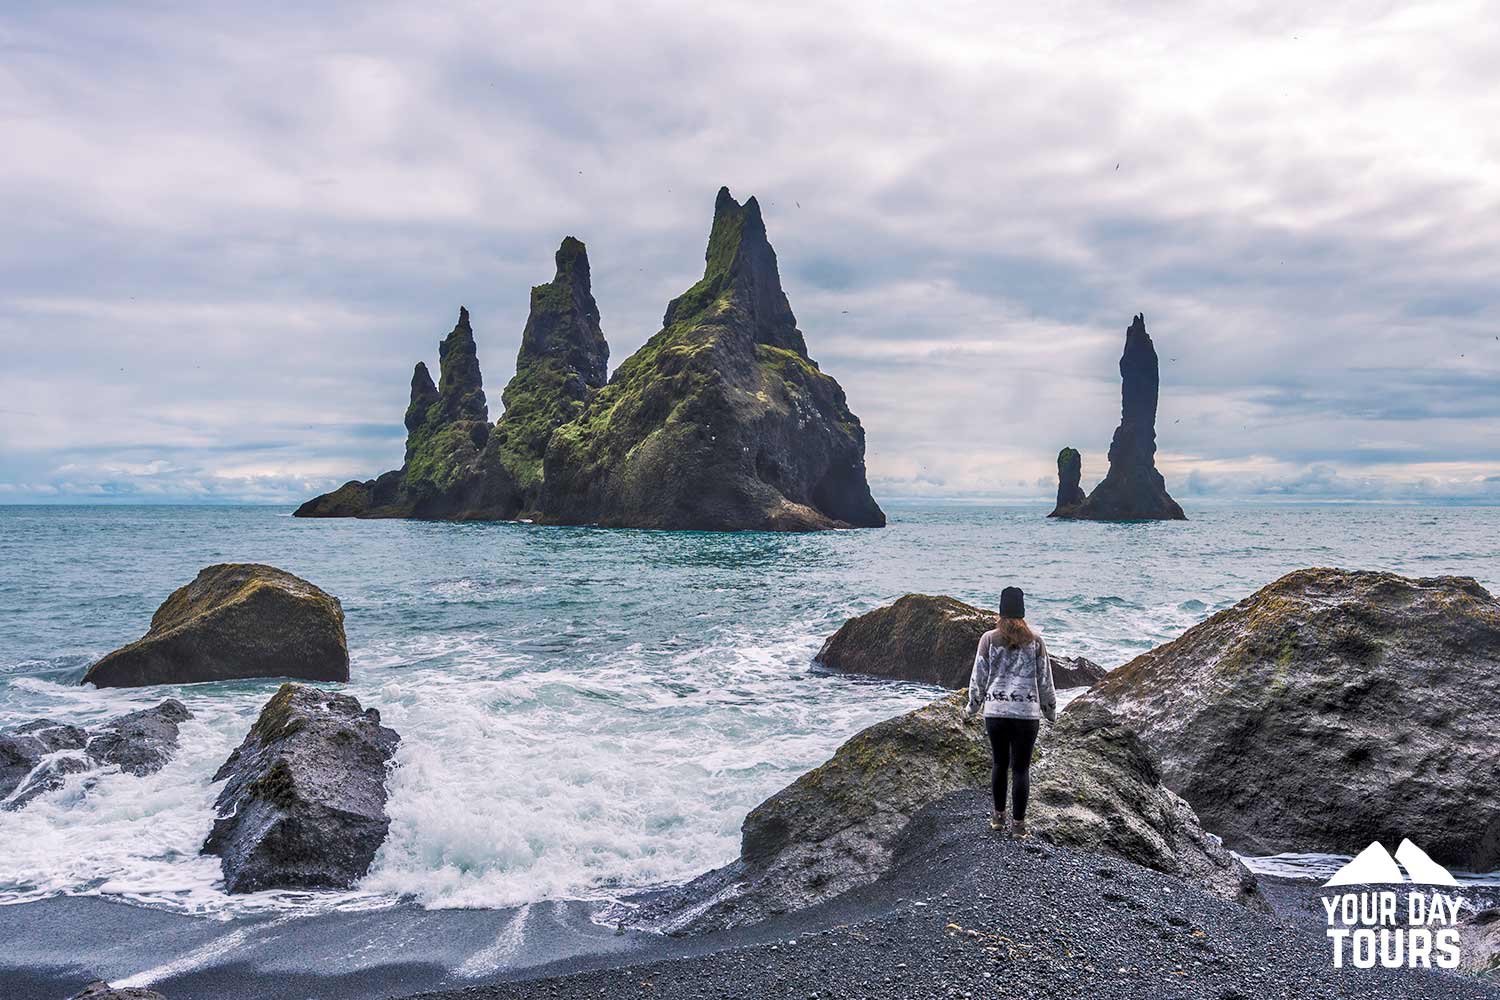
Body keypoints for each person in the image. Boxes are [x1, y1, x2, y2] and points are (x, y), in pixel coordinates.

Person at [964, 586, 1056, 835]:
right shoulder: (1036, 641)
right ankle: (1018, 826)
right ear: (1022, 612)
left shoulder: (988, 639)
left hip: (995, 713)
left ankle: (997, 819)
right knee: (1021, 769)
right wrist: (1050, 711)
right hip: (1026, 716)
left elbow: (978, 677)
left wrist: (972, 708)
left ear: (1001, 612)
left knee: (999, 763)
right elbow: (1045, 680)